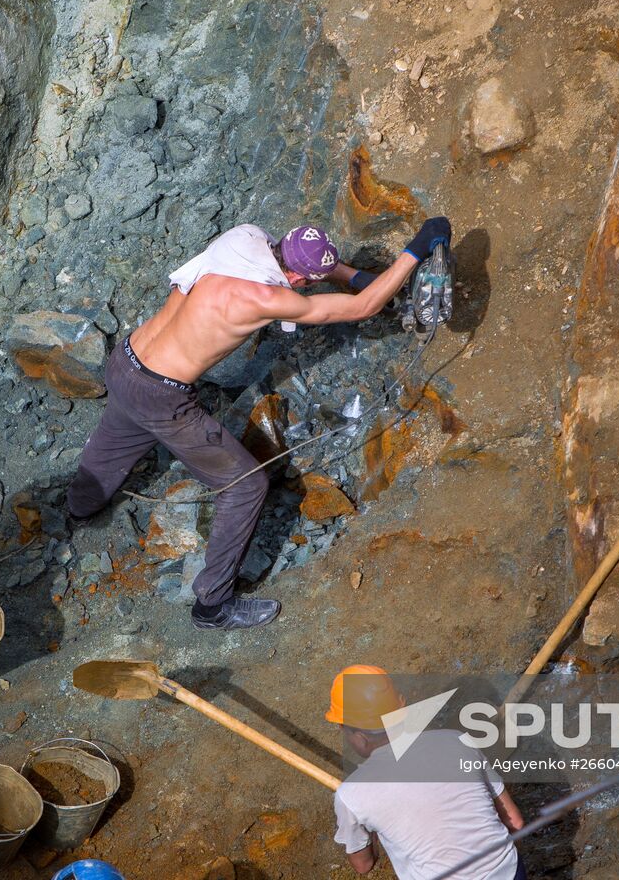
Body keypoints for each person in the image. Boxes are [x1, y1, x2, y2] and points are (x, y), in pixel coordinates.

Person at [66, 218, 451, 631]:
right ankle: (212, 605)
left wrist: (360, 276)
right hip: (163, 396)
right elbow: (361, 308)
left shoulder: (246, 238)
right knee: (247, 485)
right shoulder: (262, 297)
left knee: (117, 438)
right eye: (307, 283)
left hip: (127, 362)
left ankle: (80, 505)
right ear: (300, 278)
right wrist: (416, 248)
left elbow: (321, 271)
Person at [326, 665, 526, 880]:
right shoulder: (457, 740)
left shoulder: (351, 796)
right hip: (509, 872)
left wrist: (369, 825)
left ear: (359, 736)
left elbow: (363, 865)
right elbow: (515, 822)